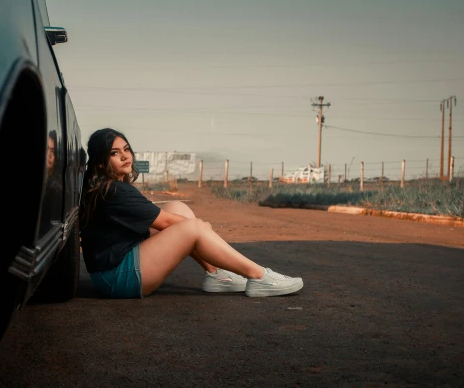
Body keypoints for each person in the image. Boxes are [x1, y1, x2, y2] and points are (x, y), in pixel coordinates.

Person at [79, 128, 304, 299]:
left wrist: (196, 229)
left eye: (126, 149)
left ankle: (217, 274)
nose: (125, 156)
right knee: (192, 227)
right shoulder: (114, 190)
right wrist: (201, 229)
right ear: (101, 162)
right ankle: (259, 276)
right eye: (115, 153)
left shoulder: (108, 186)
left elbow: (162, 218)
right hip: (116, 278)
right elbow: (166, 222)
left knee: (179, 208)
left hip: (111, 269)